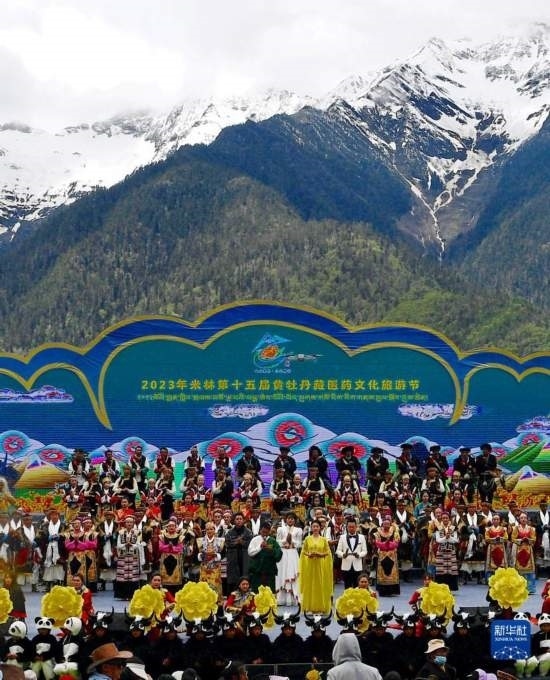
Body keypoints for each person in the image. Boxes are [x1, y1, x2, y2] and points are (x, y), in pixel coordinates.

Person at [299, 519, 333, 613]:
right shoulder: (307, 539)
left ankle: (321, 607)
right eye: (313, 526)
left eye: (317, 526)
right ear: (311, 527)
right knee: (310, 585)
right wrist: (308, 554)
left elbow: (328, 552)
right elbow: (303, 551)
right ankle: (310, 607)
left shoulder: (323, 540)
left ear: (320, 528)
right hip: (310, 565)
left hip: (320, 565)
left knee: (320, 585)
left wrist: (320, 554)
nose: (315, 528)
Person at [275, 512, 302, 605]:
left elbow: (299, 543)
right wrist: (285, 541)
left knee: (292, 572)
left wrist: (292, 542)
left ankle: (293, 598)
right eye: (289, 518)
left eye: (292, 518)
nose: (290, 520)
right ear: (285, 520)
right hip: (283, 553)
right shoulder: (280, 529)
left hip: (293, 553)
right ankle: (281, 598)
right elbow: (277, 542)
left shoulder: (299, 530)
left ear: (295, 520)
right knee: (282, 572)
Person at [247, 521, 282, 591]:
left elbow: (279, 555)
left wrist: (271, 550)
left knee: (269, 592)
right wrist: (260, 547)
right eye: (263, 532)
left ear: (269, 532)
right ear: (260, 531)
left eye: (266, 532)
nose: (264, 534)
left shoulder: (272, 541)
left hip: (269, 572)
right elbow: (250, 553)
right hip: (257, 572)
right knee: (257, 592)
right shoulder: (255, 540)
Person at [335, 518, 368, 589]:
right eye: (349, 527)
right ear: (347, 527)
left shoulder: (362, 537)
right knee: (347, 587)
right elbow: (338, 551)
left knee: (357, 587)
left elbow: (365, 551)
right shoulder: (342, 537)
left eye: (353, 527)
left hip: (357, 566)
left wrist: (359, 555)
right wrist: (343, 555)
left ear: (356, 527)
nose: (351, 528)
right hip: (346, 566)